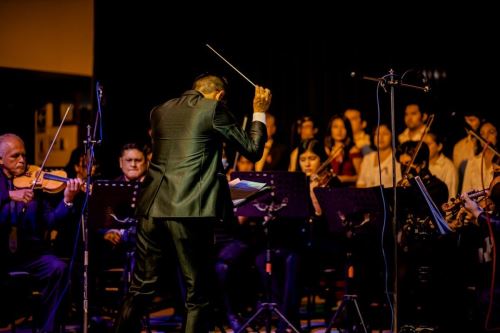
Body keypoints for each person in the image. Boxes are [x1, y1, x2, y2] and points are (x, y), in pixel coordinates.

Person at [113, 74, 271, 333]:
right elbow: (252, 150)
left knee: (141, 287)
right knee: (198, 294)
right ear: (219, 95)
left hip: (151, 208)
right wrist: (258, 112)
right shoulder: (214, 108)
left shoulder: (160, 111)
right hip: (188, 210)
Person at [0, 133, 82, 333]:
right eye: (15, 156)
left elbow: (50, 220)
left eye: (24, 155)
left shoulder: (34, 182)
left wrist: (67, 200)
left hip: (27, 253)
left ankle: (48, 329)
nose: (22, 160)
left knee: (59, 268)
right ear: (0, 159)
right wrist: (10, 194)